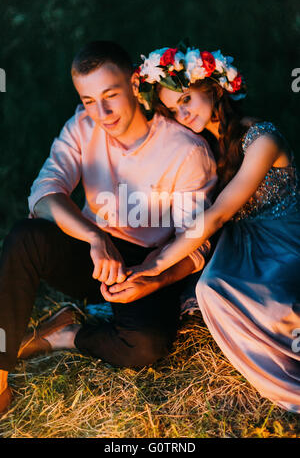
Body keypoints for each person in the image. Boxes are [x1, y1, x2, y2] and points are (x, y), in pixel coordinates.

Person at [0, 41, 217, 414]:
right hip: (92, 250)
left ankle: (66, 334)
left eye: (110, 95)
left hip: (148, 262)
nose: (101, 112)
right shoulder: (82, 127)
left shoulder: (186, 150)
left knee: (146, 345)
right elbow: (43, 193)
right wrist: (93, 236)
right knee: (24, 237)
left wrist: (154, 278)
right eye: (88, 100)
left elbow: (195, 242)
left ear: (135, 84)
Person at [128, 45, 300, 412]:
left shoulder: (262, 137)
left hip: (284, 239)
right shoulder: (199, 148)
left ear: (216, 87)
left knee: (272, 303)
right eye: (174, 109)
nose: (183, 113)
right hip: (241, 241)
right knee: (211, 288)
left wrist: (157, 263)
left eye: (187, 98)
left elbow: (220, 213)